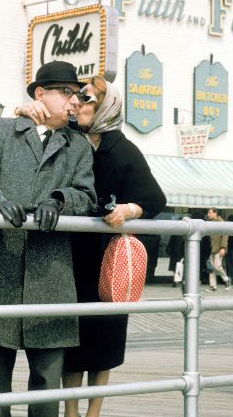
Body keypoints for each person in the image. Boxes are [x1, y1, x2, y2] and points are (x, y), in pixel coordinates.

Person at [0, 60, 96, 417]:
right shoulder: (0, 129)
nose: (74, 101)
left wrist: (60, 201)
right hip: (0, 261)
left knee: (48, 375)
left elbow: (87, 194)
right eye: (66, 92)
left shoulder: (79, 146)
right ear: (40, 94)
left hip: (51, 272)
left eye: (77, 95)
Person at [62, 76, 166, 417]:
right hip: (70, 256)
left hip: (109, 259)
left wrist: (128, 209)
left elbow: (154, 198)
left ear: (106, 107)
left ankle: (93, 412)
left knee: (104, 340)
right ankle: (71, 411)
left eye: (87, 99)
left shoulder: (123, 149)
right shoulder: (69, 140)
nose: (78, 104)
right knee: (71, 338)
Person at [206, 208, 231, 291]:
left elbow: (225, 236)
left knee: (217, 266)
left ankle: (226, 279)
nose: (208, 215)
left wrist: (223, 247)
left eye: (210, 213)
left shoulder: (222, 223)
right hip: (211, 248)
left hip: (218, 248)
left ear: (215, 213)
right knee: (211, 268)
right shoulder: (210, 223)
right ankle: (213, 286)